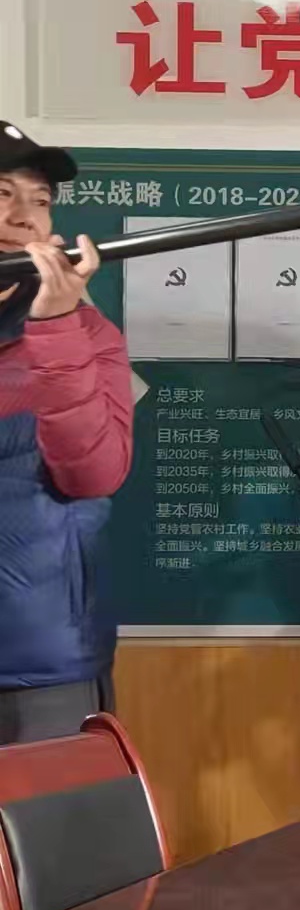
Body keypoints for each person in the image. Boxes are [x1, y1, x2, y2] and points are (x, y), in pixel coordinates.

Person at [0, 124, 133, 745]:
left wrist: (55, 330)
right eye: (2, 194)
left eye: (41, 200)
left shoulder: (87, 333)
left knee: (59, 813)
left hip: (42, 667)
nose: (25, 217)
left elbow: (94, 473)